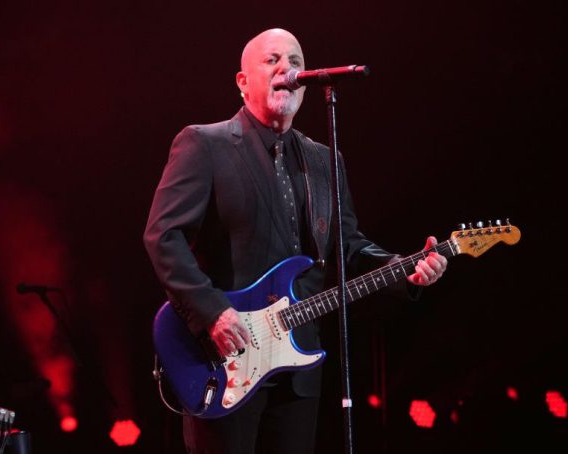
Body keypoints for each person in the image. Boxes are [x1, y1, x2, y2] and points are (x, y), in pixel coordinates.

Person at [144, 28, 447, 454]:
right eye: (272, 60)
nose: (288, 68)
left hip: (299, 361)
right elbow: (163, 235)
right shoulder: (205, 144)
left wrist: (406, 269)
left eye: (296, 61)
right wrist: (213, 312)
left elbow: (347, 247)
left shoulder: (325, 159)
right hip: (225, 358)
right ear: (242, 80)